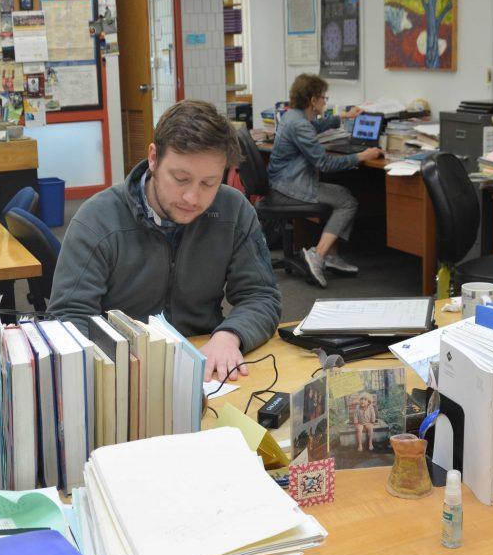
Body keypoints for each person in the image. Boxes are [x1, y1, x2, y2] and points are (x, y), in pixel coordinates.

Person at [48, 99, 281, 382]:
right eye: (181, 178)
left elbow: (260, 295)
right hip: (121, 371)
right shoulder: (98, 220)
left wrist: (229, 336)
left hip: (205, 365)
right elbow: (69, 317)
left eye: (209, 182)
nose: (192, 198)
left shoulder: (233, 210)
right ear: (154, 158)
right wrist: (114, 371)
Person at [267, 73, 383, 288]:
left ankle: (330, 255)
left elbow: (315, 127)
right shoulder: (299, 125)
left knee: (340, 195)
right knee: (347, 201)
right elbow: (325, 164)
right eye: (323, 98)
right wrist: (361, 156)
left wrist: (344, 116)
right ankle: (319, 256)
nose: (324, 102)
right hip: (290, 186)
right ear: (313, 100)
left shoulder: (292, 116)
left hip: (283, 181)